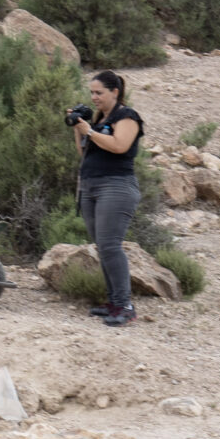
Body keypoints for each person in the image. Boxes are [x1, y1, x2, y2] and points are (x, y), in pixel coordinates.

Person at [74, 68, 144, 328]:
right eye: (91, 93)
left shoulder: (127, 116)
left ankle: (125, 305)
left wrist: (90, 131)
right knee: (102, 246)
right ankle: (113, 302)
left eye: (99, 92)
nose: (94, 97)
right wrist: (79, 127)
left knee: (111, 245)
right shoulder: (97, 119)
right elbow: (83, 153)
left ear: (115, 92)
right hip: (90, 187)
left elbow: (119, 146)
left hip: (116, 186)